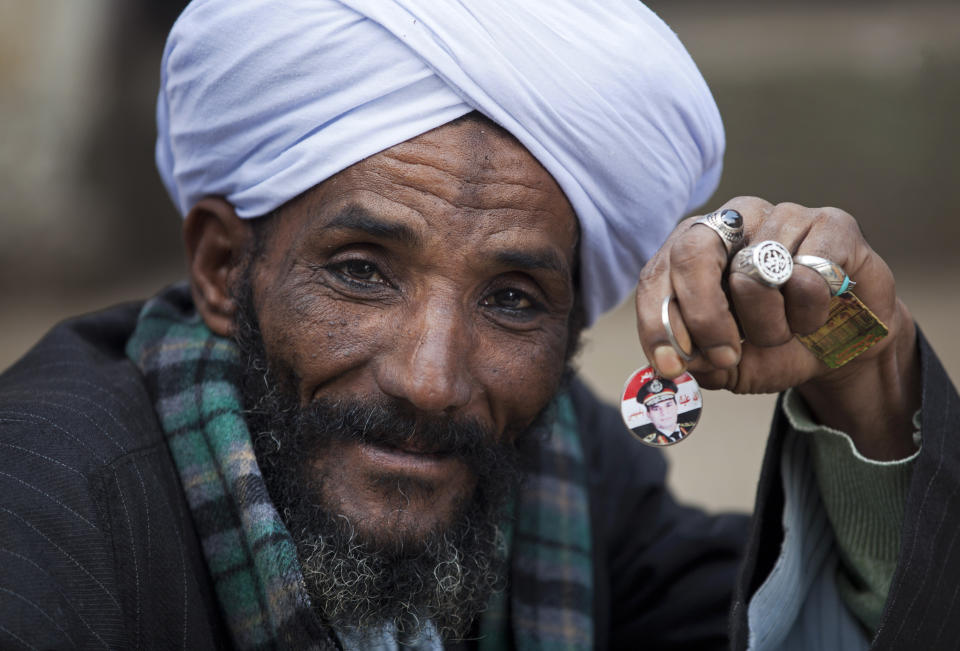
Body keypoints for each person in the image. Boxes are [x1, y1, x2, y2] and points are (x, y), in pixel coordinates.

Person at [1, 1, 957, 649]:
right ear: (221, 267)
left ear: (574, 323)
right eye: (361, 273)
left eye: (511, 298)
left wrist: (864, 376)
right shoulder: (44, 512)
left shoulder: (564, 471)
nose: (431, 377)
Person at [636, 377, 691, 445]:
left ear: (676, 406)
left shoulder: (690, 428)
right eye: (656, 408)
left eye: (668, 405)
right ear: (648, 414)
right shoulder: (649, 442)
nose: (664, 412)